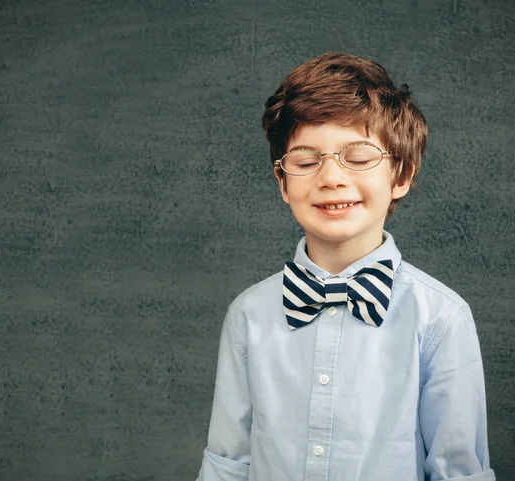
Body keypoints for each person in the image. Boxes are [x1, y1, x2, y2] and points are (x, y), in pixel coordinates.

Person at [195, 52, 495, 481]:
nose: (331, 177)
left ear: (402, 175)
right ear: (282, 181)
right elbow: (228, 463)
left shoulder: (440, 319)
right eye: (305, 160)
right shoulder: (249, 313)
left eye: (358, 157)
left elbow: (458, 472)